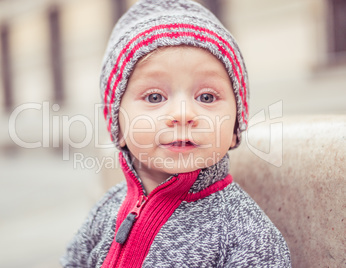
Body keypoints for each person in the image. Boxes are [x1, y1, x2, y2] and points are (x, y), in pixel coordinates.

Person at [61, 0, 291, 267]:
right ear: (118, 127)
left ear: (234, 129)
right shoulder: (106, 209)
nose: (183, 114)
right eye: (155, 96)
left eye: (206, 96)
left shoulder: (246, 235)